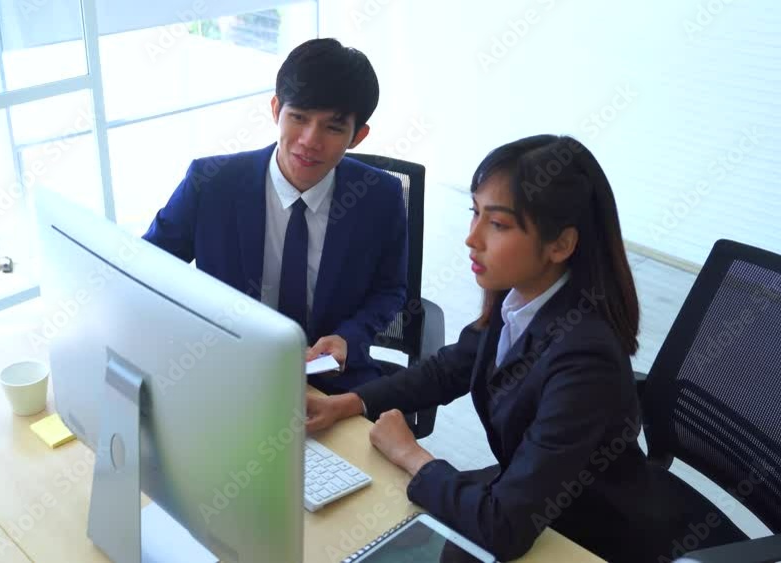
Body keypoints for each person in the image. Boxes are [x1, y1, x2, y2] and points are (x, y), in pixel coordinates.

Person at [304, 135, 746, 562]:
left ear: (561, 244)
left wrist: (411, 455)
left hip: (591, 536)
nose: (472, 238)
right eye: (474, 213)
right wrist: (351, 402)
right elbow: (451, 368)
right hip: (537, 495)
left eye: (497, 224)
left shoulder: (585, 360)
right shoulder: (523, 297)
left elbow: (505, 528)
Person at [144, 38, 407, 393]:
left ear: (358, 136)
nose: (310, 141)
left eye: (332, 127)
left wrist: (350, 337)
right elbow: (147, 270)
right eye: (298, 117)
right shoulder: (210, 184)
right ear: (275, 110)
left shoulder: (382, 197)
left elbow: (390, 290)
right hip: (227, 373)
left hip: (333, 380)